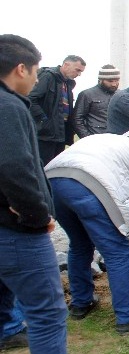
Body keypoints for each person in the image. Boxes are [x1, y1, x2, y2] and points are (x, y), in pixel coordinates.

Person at [44, 129, 129, 335]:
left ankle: (81, 303)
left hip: (52, 182)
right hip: (89, 185)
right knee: (116, 251)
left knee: (79, 244)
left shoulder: (106, 139)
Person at [0, 33, 68, 354]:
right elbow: (15, 165)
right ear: (21, 68)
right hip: (16, 231)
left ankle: (8, 331)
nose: (37, 79)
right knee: (48, 313)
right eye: (37, 72)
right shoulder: (8, 106)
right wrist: (36, 216)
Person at [28, 54, 86, 164]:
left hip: (60, 134)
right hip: (45, 135)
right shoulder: (48, 76)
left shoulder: (68, 83)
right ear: (66, 65)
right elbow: (31, 98)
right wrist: (44, 119)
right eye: (77, 70)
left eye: (81, 72)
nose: (79, 74)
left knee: (55, 167)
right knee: (44, 167)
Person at [72, 64, 120, 138]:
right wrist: (87, 138)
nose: (114, 84)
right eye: (110, 81)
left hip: (117, 138)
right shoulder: (87, 94)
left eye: (116, 80)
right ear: (101, 80)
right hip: (95, 138)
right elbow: (77, 119)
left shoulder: (121, 95)